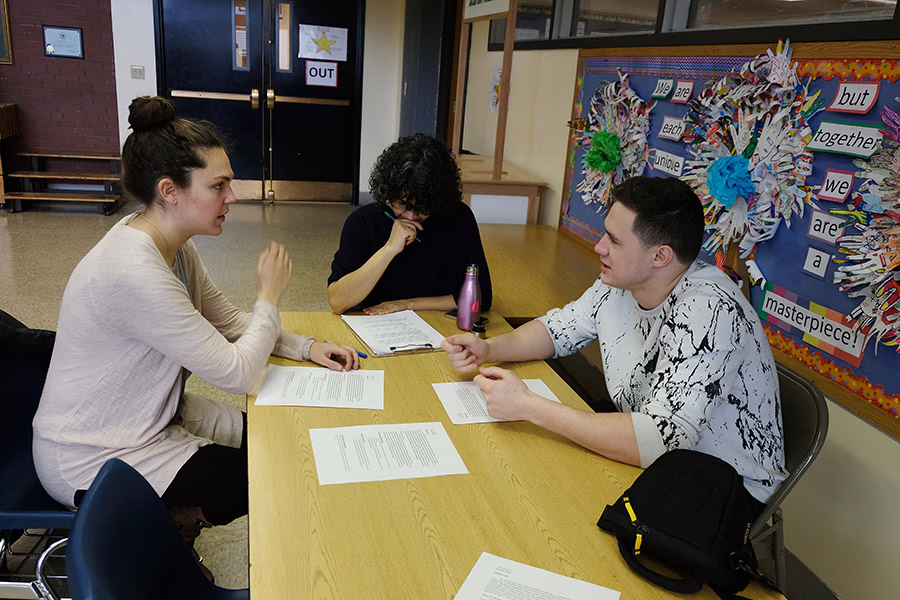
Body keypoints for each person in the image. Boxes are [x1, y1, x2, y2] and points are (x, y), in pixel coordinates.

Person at [33, 97, 359, 529]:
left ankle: (176, 517)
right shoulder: (133, 271)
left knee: (272, 434)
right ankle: (178, 522)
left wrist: (307, 347)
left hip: (155, 416)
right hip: (97, 453)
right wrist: (269, 297)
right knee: (269, 475)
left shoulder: (174, 245)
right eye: (218, 186)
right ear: (170, 191)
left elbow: (227, 322)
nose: (233, 196)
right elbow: (238, 373)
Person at [442, 176, 786, 507]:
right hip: (651, 457)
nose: (598, 247)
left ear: (660, 256)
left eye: (614, 240)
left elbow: (661, 440)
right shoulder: (620, 281)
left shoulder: (710, 310)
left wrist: (529, 407)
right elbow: (557, 329)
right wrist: (490, 349)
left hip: (721, 489)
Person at [328, 134, 492, 315]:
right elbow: (337, 302)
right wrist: (389, 249)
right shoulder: (363, 222)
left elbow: (480, 296)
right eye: (403, 205)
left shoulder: (458, 218)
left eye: (423, 208)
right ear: (389, 193)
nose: (411, 216)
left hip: (437, 322)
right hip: (375, 324)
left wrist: (408, 304)